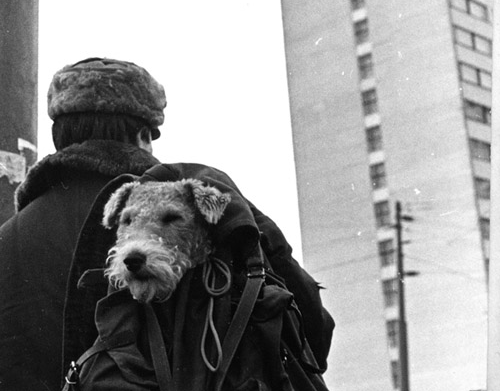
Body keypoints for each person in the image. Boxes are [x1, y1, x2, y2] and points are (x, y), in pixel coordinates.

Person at [0, 57, 334, 391]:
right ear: (143, 134)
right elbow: (314, 333)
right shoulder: (203, 209)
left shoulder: (8, 239)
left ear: (59, 135)